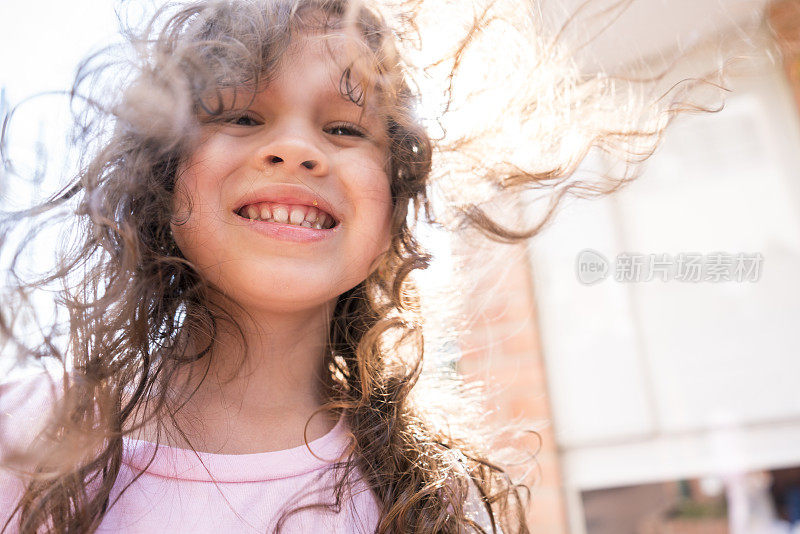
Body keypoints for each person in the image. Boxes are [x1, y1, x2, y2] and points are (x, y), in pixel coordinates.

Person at [0, 0, 733, 532]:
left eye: (345, 128)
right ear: (163, 182)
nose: (296, 149)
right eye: (242, 116)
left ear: (392, 213)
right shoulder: (26, 436)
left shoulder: (429, 499)